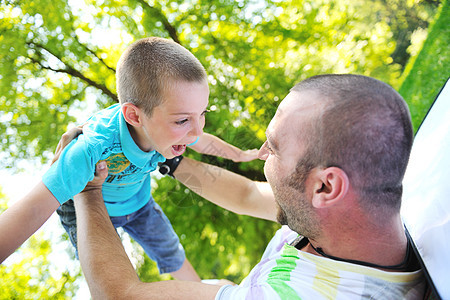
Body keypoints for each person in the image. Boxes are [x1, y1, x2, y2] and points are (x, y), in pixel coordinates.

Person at [0, 74, 425, 298]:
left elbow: (122, 296)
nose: (260, 151)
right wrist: (171, 151)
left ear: (326, 187)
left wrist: (88, 192)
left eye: (273, 148)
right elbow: (243, 195)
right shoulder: (358, 214)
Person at [0, 37, 258, 281]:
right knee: (109, 274)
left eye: (202, 114)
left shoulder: (171, 129)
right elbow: (33, 209)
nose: (196, 130)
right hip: (87, 206)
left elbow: (204, 142)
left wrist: (243, 155)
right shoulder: (93, 147)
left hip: (136, 203)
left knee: (169, 248)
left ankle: (199, 290)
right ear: (134, 116)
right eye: (183, 120)